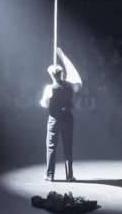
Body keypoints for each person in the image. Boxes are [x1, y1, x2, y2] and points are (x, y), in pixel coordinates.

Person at [39, 47, 82, 182]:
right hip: (68, 118)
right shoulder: (70, 86)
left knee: (51, 146)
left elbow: (44, 104)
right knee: (67, 146)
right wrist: (63, 57)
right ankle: (69, 176)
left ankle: (50, 174)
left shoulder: (49, 89)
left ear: (52, 75)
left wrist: (62, 57)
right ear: (61, 74)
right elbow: (78, 80)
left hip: (54, 119)